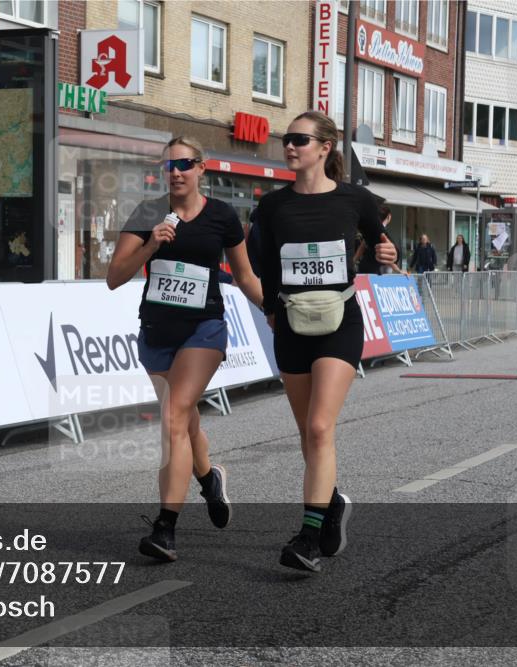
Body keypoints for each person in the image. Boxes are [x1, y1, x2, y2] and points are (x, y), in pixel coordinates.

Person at [107, 136, 263, 562]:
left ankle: (165, 529)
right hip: (157, 330)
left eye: (185, 164)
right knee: (186, 422)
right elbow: (114, 276)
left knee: (174, 417)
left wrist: (275, 310)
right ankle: (210, 478)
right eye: (169, 166)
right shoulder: (147, 213)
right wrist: (152, 243)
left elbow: (246, 277)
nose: (175, 172)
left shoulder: (223, 216)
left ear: (201, 168)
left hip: (204, 330)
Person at [254, 111, 396, 572]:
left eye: (299, 139)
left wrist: (388, 253)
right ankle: (330, 503)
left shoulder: (356, 200)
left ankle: (308, 538)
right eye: (286, 139)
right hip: (292, 324)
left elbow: (384, 246)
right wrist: (272, 310)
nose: (290, 146)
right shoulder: (272, 206)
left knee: (319, 428)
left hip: (341, 322)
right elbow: (265, 266)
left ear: (324, 147)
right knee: (307, 435)